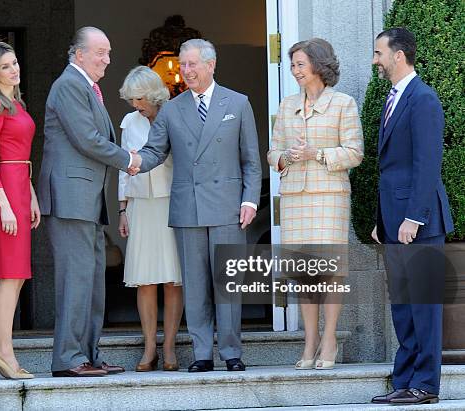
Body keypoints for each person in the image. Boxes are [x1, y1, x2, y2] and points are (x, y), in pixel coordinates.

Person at [132, 39, 262, 373]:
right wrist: (129, 160)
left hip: (228, 206)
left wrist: (249, 199)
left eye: (192, 64)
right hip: (188, 207)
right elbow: (153, 152)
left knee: (227, 281)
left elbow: (251, 160)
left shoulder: (238, 102)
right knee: (195, 283)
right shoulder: (173, 109)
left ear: (210, 65)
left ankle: (232, 352)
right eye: (183, 65)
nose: (186, 71)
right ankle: (202, 352)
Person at [37, 27, 140, 377]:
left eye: (108, 52)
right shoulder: (68, 85)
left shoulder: (86, 87)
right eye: (101, 52)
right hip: (70, 199)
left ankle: (90, 355)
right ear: (79, 54)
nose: (108, 60)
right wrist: (128, 158)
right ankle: (68, 359)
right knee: (75, 281)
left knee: (93, 281)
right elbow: (87, 140)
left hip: (87, 201)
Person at [267, 38, 364, 371]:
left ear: (319, 66)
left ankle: (329, 338)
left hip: (329, 197)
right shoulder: (287, 105)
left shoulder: (343, 104)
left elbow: (355, 152)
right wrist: (285, 157)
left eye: (300, 64)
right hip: (295, 198)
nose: (295, 71)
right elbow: (272, 152)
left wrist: (317, 154)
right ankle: (309, 341)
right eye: (292, 65)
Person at [369, 28, 453, 406]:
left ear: (398, 56)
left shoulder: (423, 99)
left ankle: (426, 386)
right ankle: (404, 382)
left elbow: (427, 164)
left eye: (378, 53)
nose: (375, 60)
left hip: (419, 222)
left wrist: (413, 218)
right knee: (403, 308)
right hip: (393, 219)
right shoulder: (394, 98)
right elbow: (389, 168)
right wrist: (381, 219)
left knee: (424, 307)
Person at [0, 40, 40, 379]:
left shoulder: (17, 105)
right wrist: (5, 206)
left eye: (14, 63)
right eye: (5, 66)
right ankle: (3, 350)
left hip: (19, 188)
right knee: (10, 273)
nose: (13, 70)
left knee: (17, 276)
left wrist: (30, 195)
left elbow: (21, 156)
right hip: (4, 195)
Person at [117, 66, 183, 372]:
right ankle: (149, 348)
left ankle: (170, 348)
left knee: (172, 279)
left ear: (154, 94)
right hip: (141, 204)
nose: (135, 105)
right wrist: (122, 208)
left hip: (172, 201)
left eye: (140, 98)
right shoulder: (129, 121)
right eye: (132, 100)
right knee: (144, 279)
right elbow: (122, 165)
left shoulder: (177, 113)